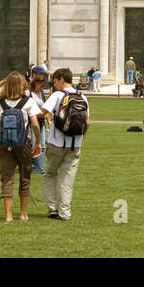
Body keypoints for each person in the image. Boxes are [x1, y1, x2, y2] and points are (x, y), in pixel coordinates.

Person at [0, 71, 43, 222]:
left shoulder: (1, 103)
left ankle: (8, 215)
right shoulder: (28, 102)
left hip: (5, 143)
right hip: (23, 143)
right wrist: (38, 142)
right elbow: (34, 124)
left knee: (7, 178)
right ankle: (23, 214)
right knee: (25, 176)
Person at [41, 67, 88, 221]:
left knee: (50, 174)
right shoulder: (82, 97)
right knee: (67, 180)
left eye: (55, 80)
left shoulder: (57, 95)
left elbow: (42, 113)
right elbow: (87, 122)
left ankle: (53, 208)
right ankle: (65, 212)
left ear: (61, 79)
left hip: (57, 143)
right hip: (75, 144)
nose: (54, 84)